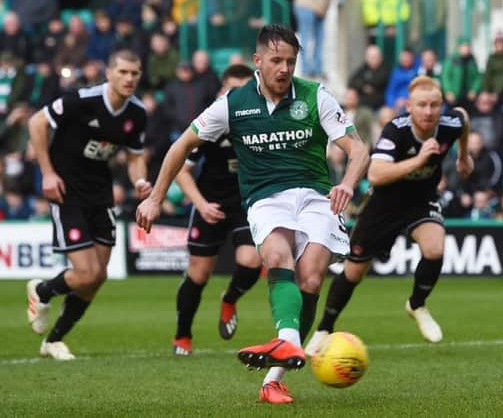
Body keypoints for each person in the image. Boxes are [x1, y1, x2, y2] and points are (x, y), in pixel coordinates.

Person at [135, 24, 369, 404]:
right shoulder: (233, 103)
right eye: (276, 60)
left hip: (316, 197)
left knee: (310, 281)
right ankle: (288, 346)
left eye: (290, 62)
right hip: (266, 198)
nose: (284, 69)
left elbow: (358, 149)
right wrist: (156, 197)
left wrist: (348, 183)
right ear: (257, 61)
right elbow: (181, 145)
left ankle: (274, 377)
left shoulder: (315, 96)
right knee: (277, 255)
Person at [305, 76, 473, 353]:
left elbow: (464, 119)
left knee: (434, 248)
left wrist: (463, 156)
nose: (429, 111)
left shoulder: (450, 123)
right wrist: (419, 160)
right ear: (409, 106)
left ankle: (417, 305)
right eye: (422, 105)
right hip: (384, 205)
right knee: (354, 271)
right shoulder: (396, 130)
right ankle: (324, 327)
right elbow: (376, 174)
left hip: (422, 199)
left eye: (435, 105)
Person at [26, 49, 151, 360]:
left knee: (98, 278)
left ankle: (53, 340)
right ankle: (41, 292)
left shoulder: (137, 114)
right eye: (123, 72)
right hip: (66, 192)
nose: (129, 78)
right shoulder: (81, 100)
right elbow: (36, 123)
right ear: (108, 73)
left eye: (135, 73)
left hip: (101, 194)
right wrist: (47, 173)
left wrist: (138, 181)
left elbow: (136, 157)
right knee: (85, 273)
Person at [171, 64, 263, 356]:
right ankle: (182, 336)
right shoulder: (209, 122)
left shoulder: (263, 120)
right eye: (234, 90)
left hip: (246, 204)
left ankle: (230, 298)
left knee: (251, 260)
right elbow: (182, 171)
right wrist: (201, 204)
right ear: (223, 91)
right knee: (198, 275)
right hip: (209, 202)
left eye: (247, 89)